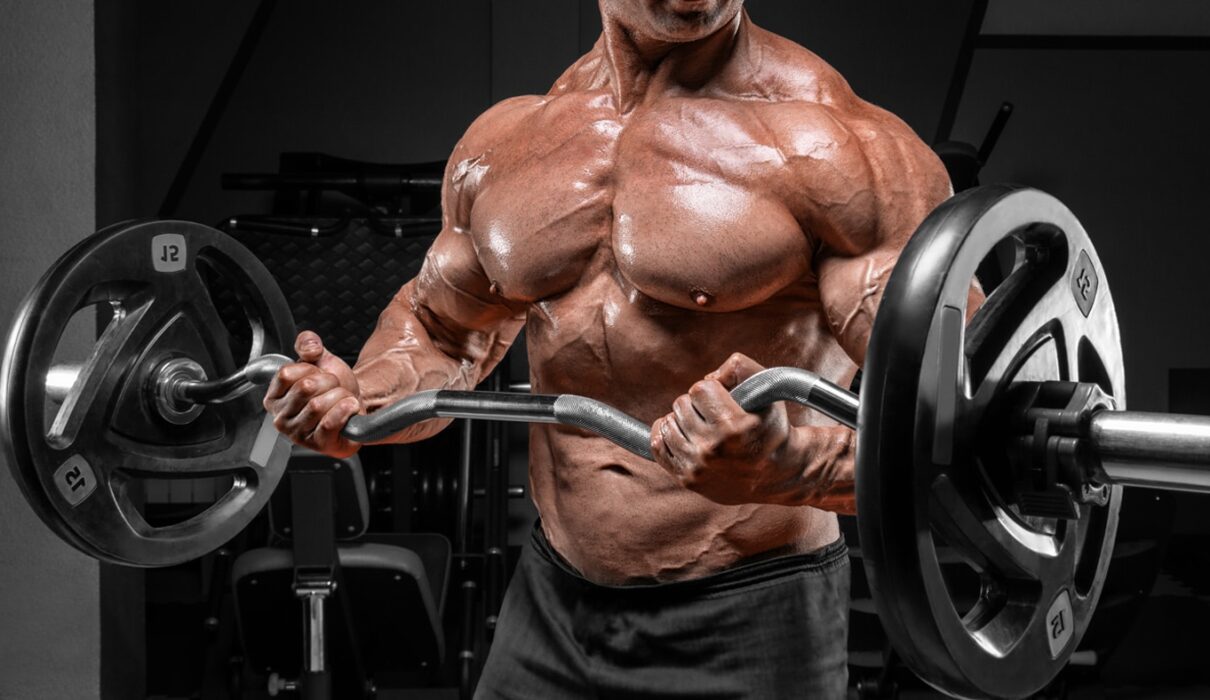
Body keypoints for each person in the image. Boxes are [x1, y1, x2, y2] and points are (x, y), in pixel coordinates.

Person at [264, 1, 951, 696]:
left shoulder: (838, 147)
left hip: (754, 610)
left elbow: (959, 439)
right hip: (553, 602)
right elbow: (443, 334)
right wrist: (359, 397)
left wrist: (790, 468)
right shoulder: (507, 142)